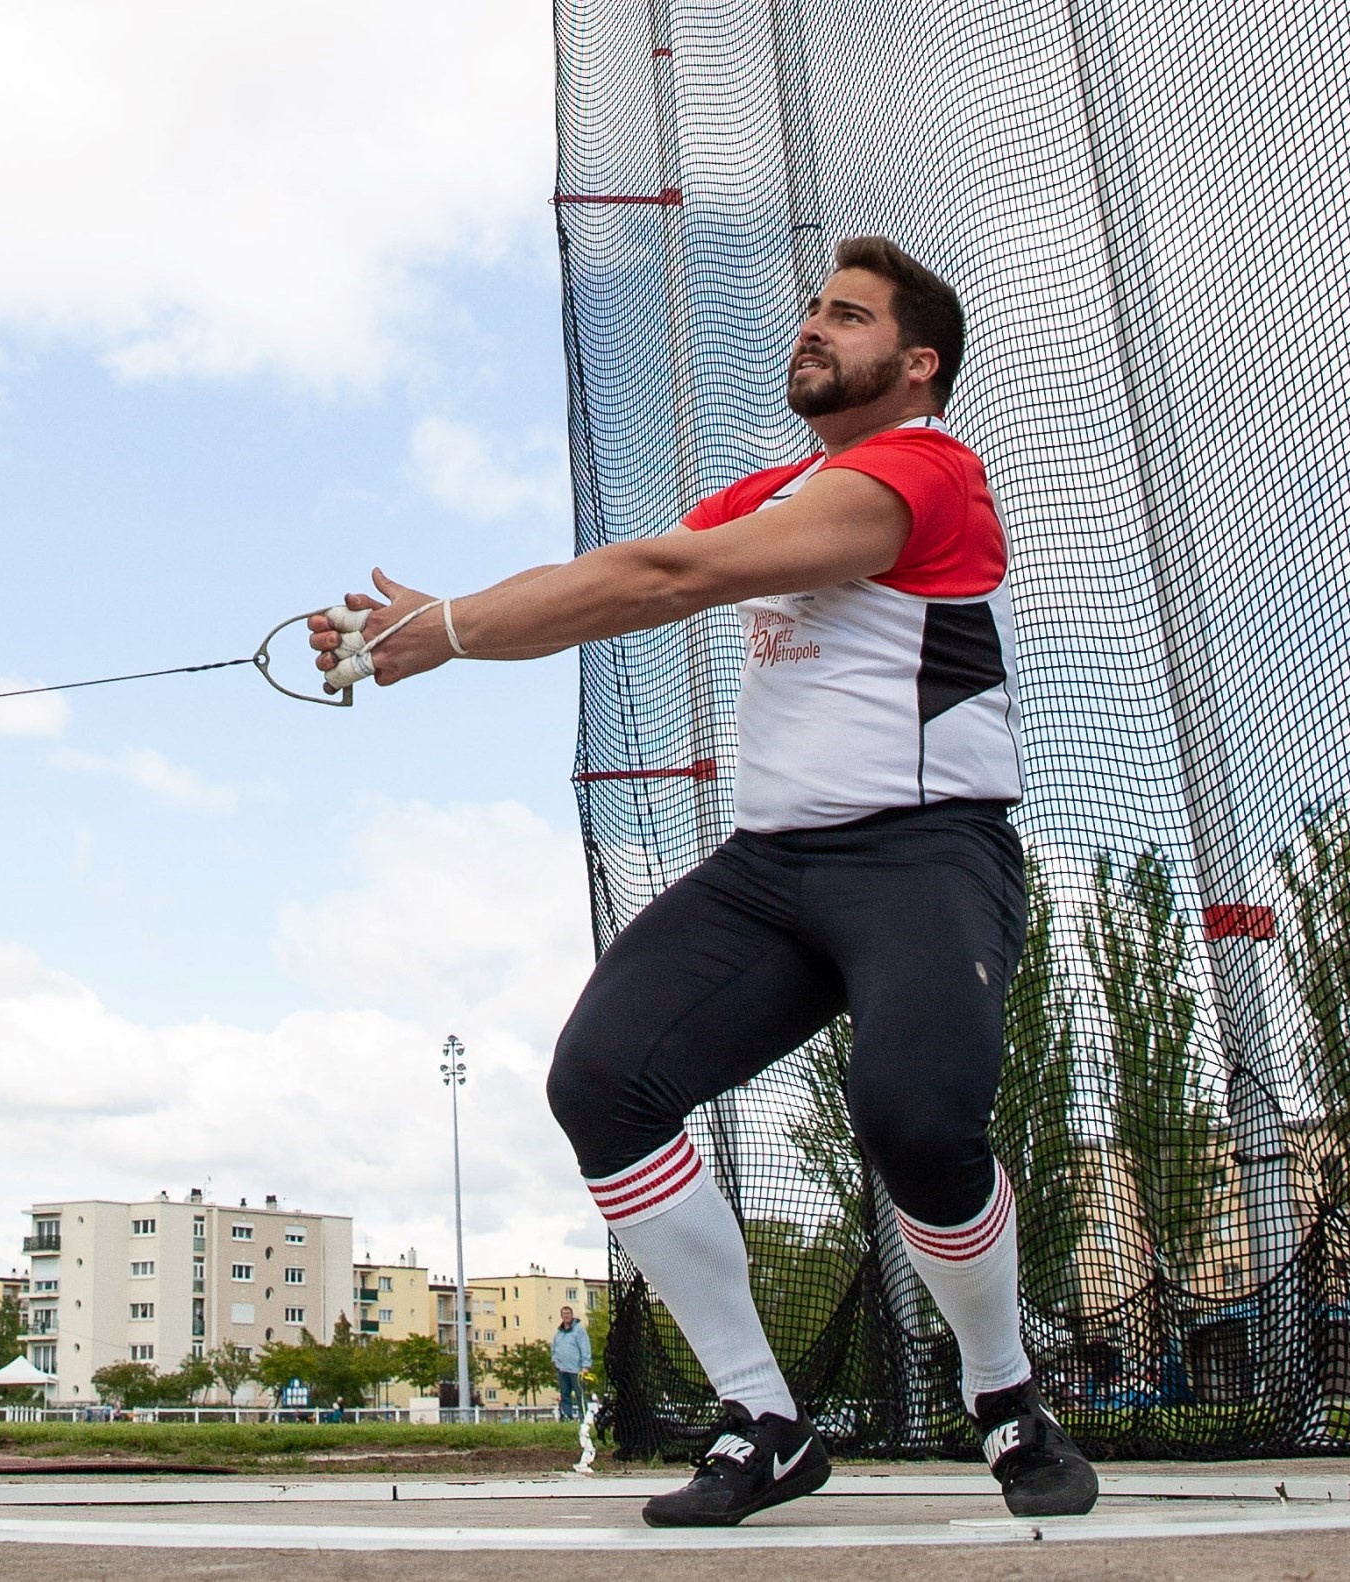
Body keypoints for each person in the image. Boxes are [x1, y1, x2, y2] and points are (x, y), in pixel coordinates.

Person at [310, 237, 1098, 1529]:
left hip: (922, 854)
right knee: (605, 1082)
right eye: (812, 309)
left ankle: (1005, 1395)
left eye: (845, 315)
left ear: (917, 365)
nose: (813, 327)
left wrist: (446, 631)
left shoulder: (923, 472)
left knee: (915, 1116)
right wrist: (441, 626)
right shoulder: (773, 494)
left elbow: (671, 578)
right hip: (773, 868)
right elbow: (616, 586)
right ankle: (765, 1418)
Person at [551, 1305, 591, 1420]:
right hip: (562, 1369)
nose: (566, 1315)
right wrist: (554, 1360)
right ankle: (567, 1417)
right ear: (561, 1316)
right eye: (564, 1313)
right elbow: (554, 1347)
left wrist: (585, 1365)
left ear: (572, 1315)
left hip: (576, 1369)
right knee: (565, 1395)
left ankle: (584, 1417)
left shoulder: (579, 1330)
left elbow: (585, 1347)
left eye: (568, 1313)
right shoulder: (559, 1332)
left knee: (580, 1395)